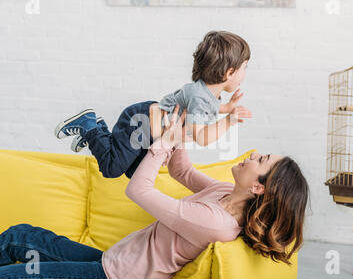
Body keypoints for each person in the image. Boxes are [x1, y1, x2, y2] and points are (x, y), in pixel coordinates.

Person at [0, 106, 309, 279]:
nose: (252, 155)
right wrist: (181, 131)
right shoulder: (223, 194)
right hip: (108, 261)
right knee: (20, 237)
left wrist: (162, 145)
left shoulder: (215, 223)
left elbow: (138, 190)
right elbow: (181, 172)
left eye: (260, 160)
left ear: (259, 187)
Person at [53, 30, 252, 179]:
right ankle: (90, 127)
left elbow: (207, 111)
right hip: (141, 123)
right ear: (229, 73)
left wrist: (227, 107)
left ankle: (99, 132)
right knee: (111, 169)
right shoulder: (200, 96)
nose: (245, 73)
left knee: (135, 174)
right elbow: (202, 138)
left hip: (150, 130)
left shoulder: (206, 94)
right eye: (245, 67)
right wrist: (229, 121)